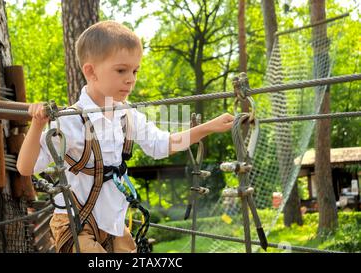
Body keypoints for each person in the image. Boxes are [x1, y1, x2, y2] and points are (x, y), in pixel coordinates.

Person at [16, 20, 234, 253]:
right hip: (76, 226)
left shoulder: (127, 116)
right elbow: (26, 167)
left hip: (114, 225)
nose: (131, 79)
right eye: (121, 70)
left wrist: (208, 127)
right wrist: (38, 125)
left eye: (135, 71)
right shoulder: (69, 122)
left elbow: (162, 145)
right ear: (90, 71)